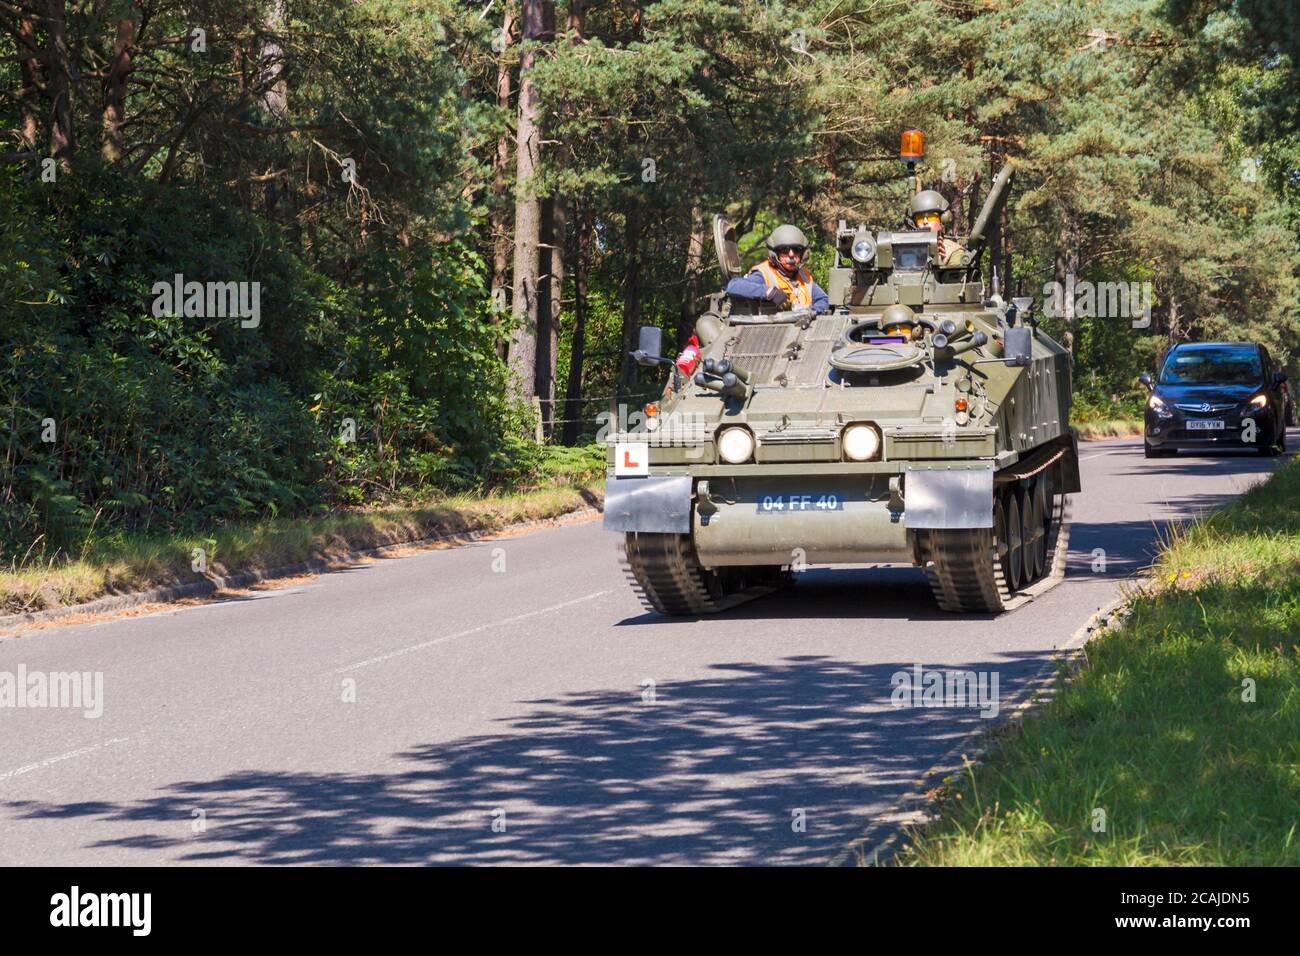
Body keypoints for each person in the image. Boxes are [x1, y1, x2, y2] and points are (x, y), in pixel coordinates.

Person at [725, 224, 830, 313]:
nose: (791, 255)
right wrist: (769, 292)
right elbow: (734, 286)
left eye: (796, 249)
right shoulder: (764, 273)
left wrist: (812, 312)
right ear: (774, 254)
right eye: (784, 250)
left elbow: (823, 299)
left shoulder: (804, 276)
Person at [907, 190, 971, 269]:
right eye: (920, 218)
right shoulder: (903, 250)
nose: (925, 222)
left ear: (943, 220)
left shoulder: (953, 252)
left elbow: (955, 280)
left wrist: (940, 262)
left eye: (931, 217)